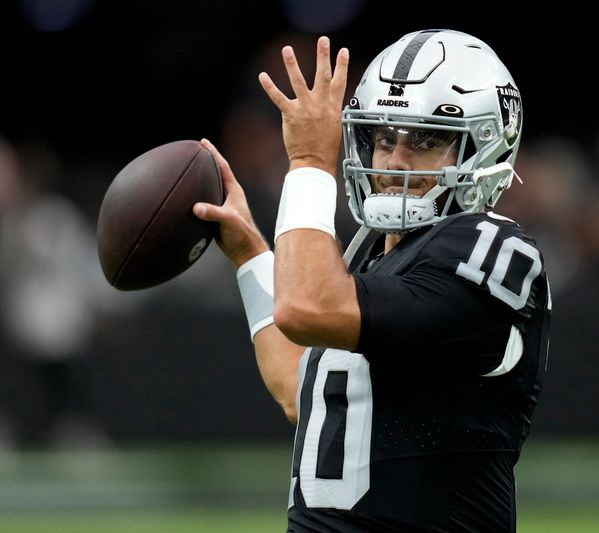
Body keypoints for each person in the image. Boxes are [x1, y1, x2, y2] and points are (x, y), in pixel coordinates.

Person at [193, 29, 551, 532]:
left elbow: (305, 309)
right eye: (385, 138)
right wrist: (251, 255)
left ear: (487, 146)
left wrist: (309, 163)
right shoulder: (370, 253)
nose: (394, 162)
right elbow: (303, 389)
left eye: (425, 140)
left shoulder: (485, 247)